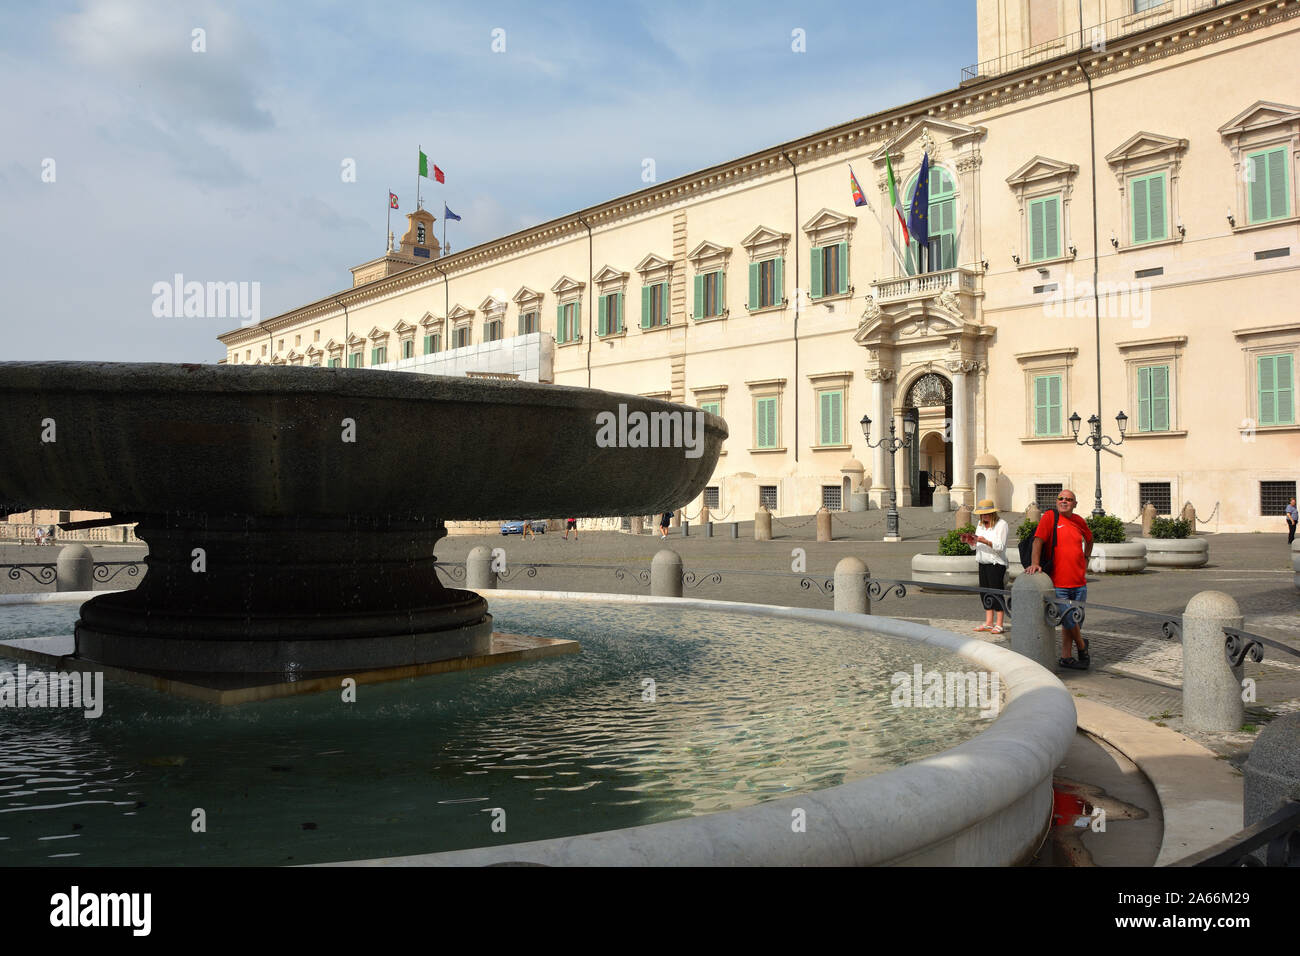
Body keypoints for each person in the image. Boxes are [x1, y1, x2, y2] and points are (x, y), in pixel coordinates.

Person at [1025, 489, 1093, 670]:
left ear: (1075, 504)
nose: (1064, 501)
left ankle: (1066, 657)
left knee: (1073, 623)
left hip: (1079, 582)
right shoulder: (1050, 517)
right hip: (1059, 582)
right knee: (1069, 619)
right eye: (1061, 498)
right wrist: (1035, 563)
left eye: (1069, 499)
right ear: (1056, 502)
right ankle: (1082, 647)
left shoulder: (1079, 521)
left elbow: (1090, 539)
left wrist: (1086, 558)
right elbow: (1038, 541)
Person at [964, 500, 1008, 634]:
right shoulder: (980, 524)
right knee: (984, 593)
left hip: (996, 563)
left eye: (986, 514)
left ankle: (999, 623)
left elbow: (1000, 547)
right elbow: (976, 546)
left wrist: (986, 541)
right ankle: (989, 622)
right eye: (982, 514)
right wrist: (971, 542)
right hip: (982, 562)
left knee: (996, 592)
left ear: (992, 513)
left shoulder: (1002, 524)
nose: (984, 517)